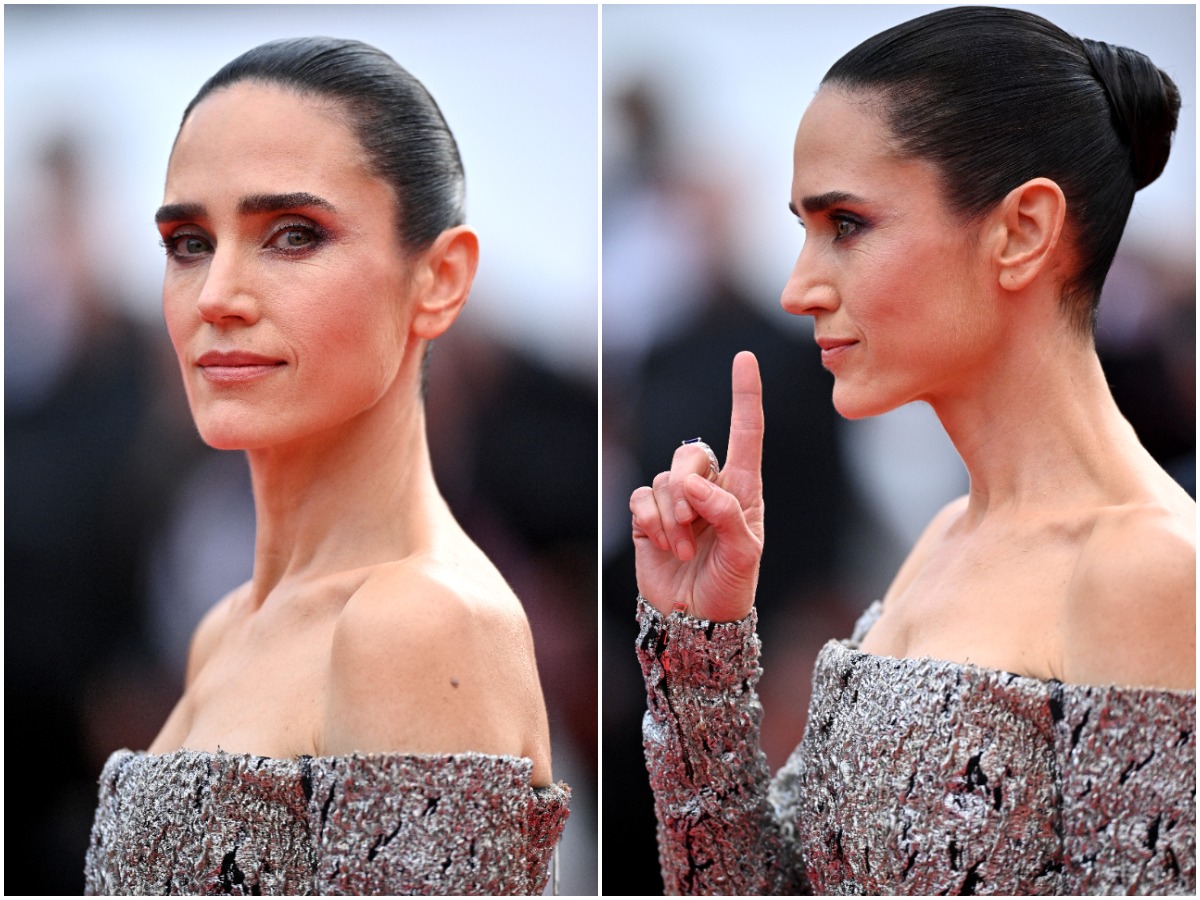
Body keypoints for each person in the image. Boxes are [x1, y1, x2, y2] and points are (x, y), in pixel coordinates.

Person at [629, 7, 1194, 894]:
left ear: (1022, 231)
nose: (796, 287)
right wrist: (703, 643)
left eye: (846, 224)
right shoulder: (941, 540)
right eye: (803, 229)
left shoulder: (1149, 572)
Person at [84, 37, 569, 895]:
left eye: (293, 235)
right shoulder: (227, 627)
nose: (217, 296)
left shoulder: (417, 624)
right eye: (189, 243)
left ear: (440, 280)